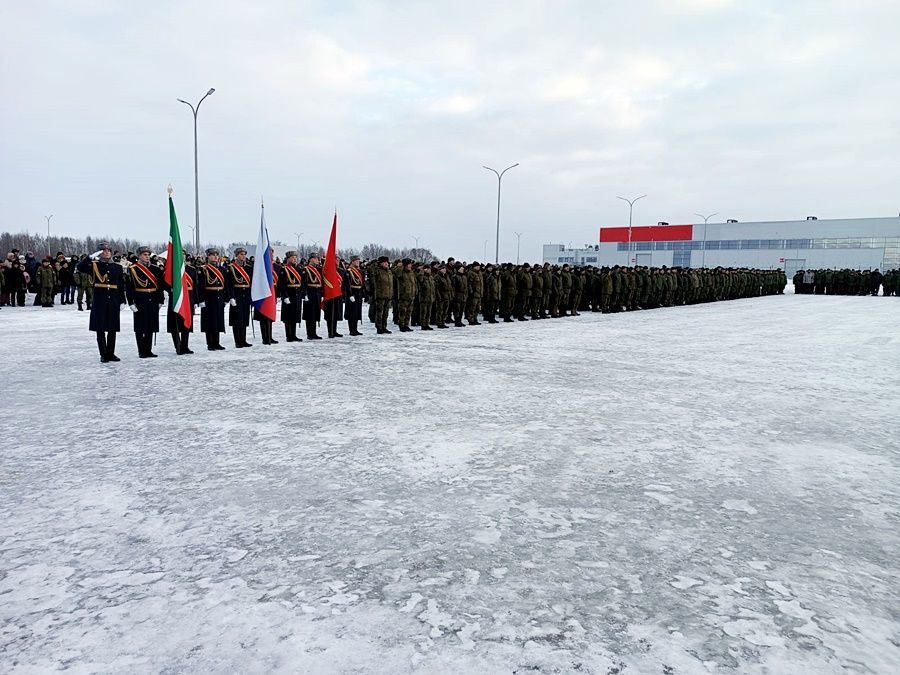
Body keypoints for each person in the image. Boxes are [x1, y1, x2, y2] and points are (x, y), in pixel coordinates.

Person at [77, 243, 126, 362]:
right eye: (104, 250)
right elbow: (80, 267)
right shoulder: (94, 265)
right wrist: (89, 257)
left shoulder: (117, 267)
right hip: (100, 300)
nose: (107, 252)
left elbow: (120, 285)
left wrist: (122, 300)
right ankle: (103, 354)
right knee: (101, 328)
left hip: (113, 299)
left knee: (112, 328)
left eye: (109, 250)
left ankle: (111, 353)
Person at [125, 246, 164, 358]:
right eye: (144, 255)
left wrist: (161, 300)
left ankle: (148, 350)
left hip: (153, 298)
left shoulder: (155, 269)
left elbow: (160, 287)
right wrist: (131, 302)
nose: (147, 257)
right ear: (139, 256)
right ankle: (141, 350)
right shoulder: (133, 269)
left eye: (148, 255)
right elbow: (129, 287)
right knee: (140, 326)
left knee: (151, 325)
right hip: (140, 299)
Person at [198, 248, 227, 350]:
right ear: (208, 257)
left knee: (218, 320)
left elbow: (225, 286)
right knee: (209, 321)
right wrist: (201, 300)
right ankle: (210, 343)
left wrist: (226, 298)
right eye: (212, 255)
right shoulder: (203, 269)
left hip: (219, 297)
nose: (215, 257)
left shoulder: (222, 270)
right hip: (209, 298)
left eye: (216, 255)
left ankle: (217, 342)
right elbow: (200, 286)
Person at [226, 247, 253, 348]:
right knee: (237, 319)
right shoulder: (231, 267)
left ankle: (243, 339)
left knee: (244, 318)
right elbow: (229, 284)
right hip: (236, 294)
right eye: (241, 254)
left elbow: (251, 283)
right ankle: (237, 341)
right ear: (236, 255)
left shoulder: (249, 268)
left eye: (244, 254)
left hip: (246, 294)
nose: (243, 256)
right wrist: (231, 297)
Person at [279, 251, 303, 342]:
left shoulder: (299, 269)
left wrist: (302, 293)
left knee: (295, 315)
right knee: (288, 316)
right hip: (289, 294)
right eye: (292, 257)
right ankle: (288, 335)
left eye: (295, 257)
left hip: (297, 294)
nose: (294, 259)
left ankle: (294, 334)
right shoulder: (284, 269)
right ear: (288, 258)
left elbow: (302, 283)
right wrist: (284, 296)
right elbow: (282, 284)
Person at [302, 253, 324, 340]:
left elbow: (321, 283)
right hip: (310, 293)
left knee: (315, 313)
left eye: (317, 258)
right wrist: (305, 294)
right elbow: (303, 283)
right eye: (315, 258)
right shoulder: (306, 269)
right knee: (309, 314)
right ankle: (309, 333)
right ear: (311, 259)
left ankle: (314, 332)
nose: (317, 260)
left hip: (317, 293)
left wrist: (322, 294)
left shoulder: (318, 270)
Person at [372, 256, 393, 334]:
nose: (387, 264)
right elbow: (372, 272)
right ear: (380, 263)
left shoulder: (389, 272)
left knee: (386, 313)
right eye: (384, 262)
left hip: (388, 295)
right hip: (380, 295)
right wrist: (376, 265)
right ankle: (379, 327)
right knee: (379, 313)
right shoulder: (377, 271)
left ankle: (384, 327)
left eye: (387, 262)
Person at [344, 255, 365, 336]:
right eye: (356, 261)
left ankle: (355, 329)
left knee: (357, 312)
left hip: (358, 292)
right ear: (352, 262)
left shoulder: (360, 271)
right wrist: (350, 294)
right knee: (351, 312)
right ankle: (351, 330)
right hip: (352, 293)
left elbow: (362, 283)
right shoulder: (349, 271)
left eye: (358, 261)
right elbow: (347, 284)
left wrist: (363, 293)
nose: (358, 262)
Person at [397, 258, 417, 332]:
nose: (410, 266)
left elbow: (414, 283)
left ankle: (406, 325)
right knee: (403, 312)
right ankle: (401, 326)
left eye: (410, 264)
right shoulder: (401, 272)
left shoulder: (411, 273)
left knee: (409, 312)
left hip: (411, 295)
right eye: (408, 265)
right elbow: (397, 273)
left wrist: (415, 291)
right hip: (404, 295)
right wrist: (401, 266)